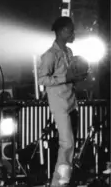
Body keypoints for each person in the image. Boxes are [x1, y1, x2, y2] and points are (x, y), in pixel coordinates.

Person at [38, 16, 88, 186]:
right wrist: (65, 77)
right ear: (62, 31)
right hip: (59, 103)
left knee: (71, 144)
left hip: (71, 101)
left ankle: (64, 179)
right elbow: (42, 79)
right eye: (71, 30)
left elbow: (69, 77)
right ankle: (58, 183)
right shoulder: (49, 55)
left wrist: (77, 77)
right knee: (67, 143)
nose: (73, 33)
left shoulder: (68, 53)